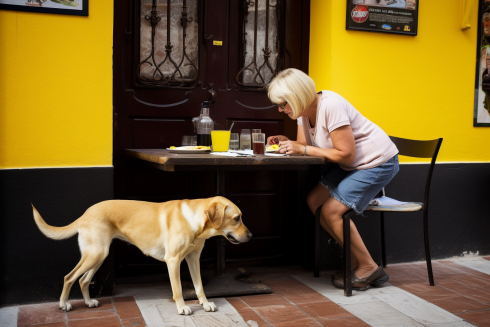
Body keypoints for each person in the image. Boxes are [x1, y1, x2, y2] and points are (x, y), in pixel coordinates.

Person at [267, 68, 399, 290]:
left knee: (330, 210)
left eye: (283, 103)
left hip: (376, 162)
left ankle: (368, 267)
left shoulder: (331, 105)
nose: (280, 109)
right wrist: (288, 142)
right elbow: (305, 146)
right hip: (350, 164)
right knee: (315, 201)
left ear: (296, 97)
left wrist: (304, 150)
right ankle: (355, 259)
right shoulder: (302, 113)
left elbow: (346, 153)